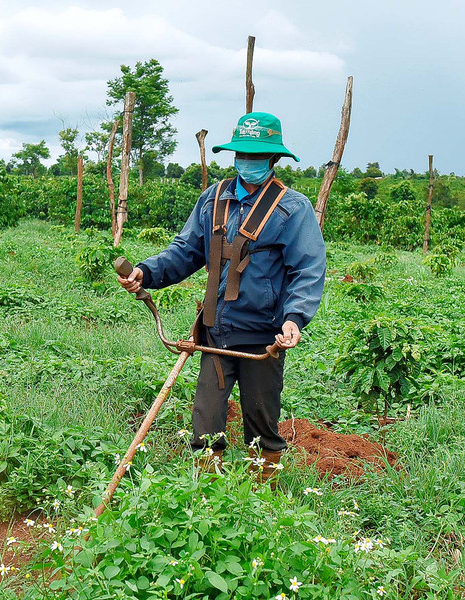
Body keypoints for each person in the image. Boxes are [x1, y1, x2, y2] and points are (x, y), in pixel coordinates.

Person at [118, 112, 326, 480]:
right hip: (215, 331)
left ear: (273, 159)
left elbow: (307, 270)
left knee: (261, 423)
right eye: (242, 154)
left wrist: (295, 317)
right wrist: (145, 272)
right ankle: (207, 497)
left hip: (263, 337)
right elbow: (184, 252)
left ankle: (261, 496)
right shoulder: (213, 199)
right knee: (206, 420)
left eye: (256, 156)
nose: (248, 162)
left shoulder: (292, 209)